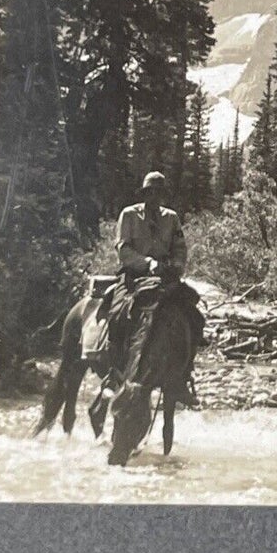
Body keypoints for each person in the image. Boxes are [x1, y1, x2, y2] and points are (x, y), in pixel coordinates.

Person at [113, 171, 203, 403]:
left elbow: (180, 247)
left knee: (194, 316)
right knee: (121, 312)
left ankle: (183, 377)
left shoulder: (170, 218)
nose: (155, 197)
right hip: (135, 276)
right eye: (151, 192)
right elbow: (123, 249)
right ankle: (115, 366)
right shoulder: (129, 215)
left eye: (159, 193)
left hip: (165, 278)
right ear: (145, 194)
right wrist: (147, 263)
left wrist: (175, 266)